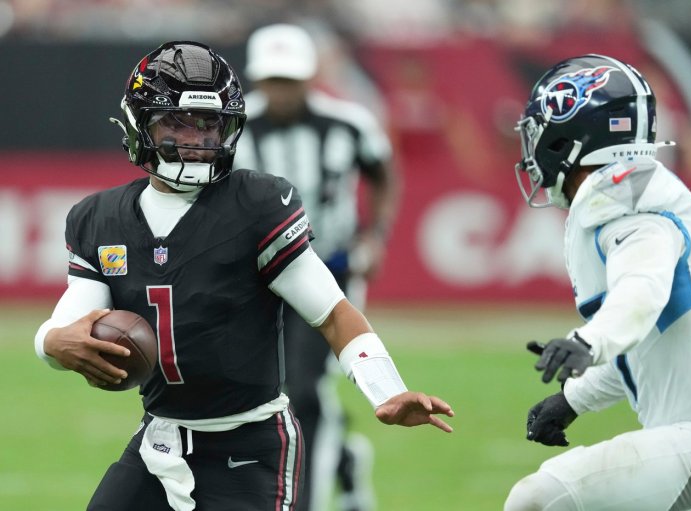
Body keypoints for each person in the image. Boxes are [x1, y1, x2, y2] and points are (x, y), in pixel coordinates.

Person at [33, 40, 452, 511]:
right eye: (177, 122)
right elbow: (68, 323)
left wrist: (387, 390)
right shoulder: (101, 219)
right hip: (160, 439)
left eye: (208, 124)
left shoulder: (255, 205)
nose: (196, 139)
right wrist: (51, 342)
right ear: (139, 123)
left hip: (250, 448)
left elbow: (333, 312)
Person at [505, 54, 691, 510]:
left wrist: (590, 341)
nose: (532, 150)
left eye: (538, 133)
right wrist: (572, 400)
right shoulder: (624, 199)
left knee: (540, 499)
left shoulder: (633, 209)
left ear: (569, 136)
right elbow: (643, 344)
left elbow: (641, 290)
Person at [234, 24, 399, 511]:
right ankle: (343, 460)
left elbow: (382, 172)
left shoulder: (347, 123)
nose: (282, 91)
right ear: (257, 79)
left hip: (328, 267)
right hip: (255, 276)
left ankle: (304, 501)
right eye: (274, 80)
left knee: (305, 387)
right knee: (262, 387)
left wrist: (375, 235)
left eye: (290, 79)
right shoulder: (233, 127)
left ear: (309, 77)